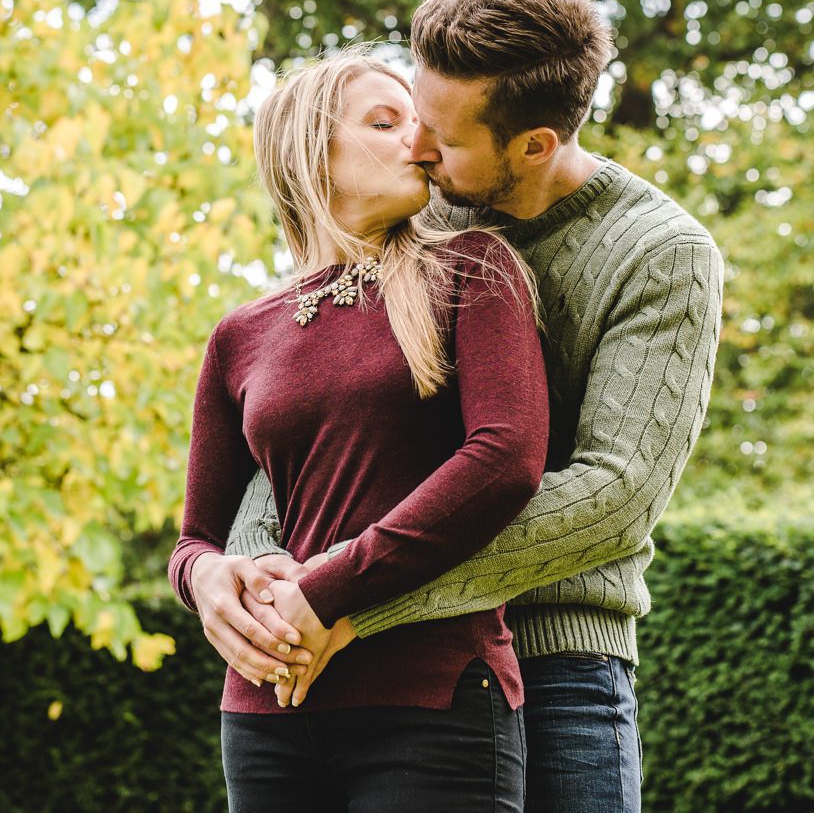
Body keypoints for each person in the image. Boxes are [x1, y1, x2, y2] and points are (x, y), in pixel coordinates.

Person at [190, 0, 725, 813]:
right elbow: (295, 425)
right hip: (366, 648)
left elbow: (614, 494)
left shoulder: (660, 254)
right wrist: (255, 568)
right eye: (405, 115)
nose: (420, 149)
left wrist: (356, 594)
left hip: (558, 660)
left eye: (440, 133)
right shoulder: (420, 215)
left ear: (534, 144)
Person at [168, 51, 550, 812]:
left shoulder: (473, 269)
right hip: (267, 706)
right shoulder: (240, 334)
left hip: (431, 694)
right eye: (386, 120)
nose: (419, 140)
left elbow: (506, 457)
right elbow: (193, 539)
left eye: (418, 120)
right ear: (312, 151)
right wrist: (208, 583)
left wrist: (326, 590)